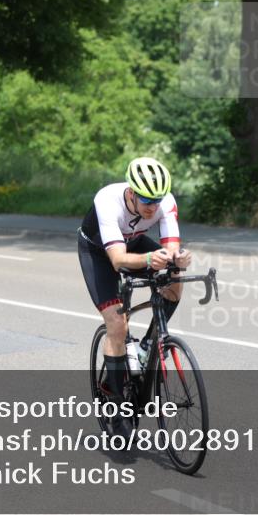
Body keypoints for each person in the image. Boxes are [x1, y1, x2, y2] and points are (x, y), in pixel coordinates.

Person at [77, 157, 191, 437]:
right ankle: (117, 411)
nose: (153, 207)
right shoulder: (107, 200)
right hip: (99, 253)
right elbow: (117, 260)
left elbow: (171, 250)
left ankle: (146, 346)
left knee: (174, 281)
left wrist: (179, 258)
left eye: (157, 201)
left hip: (134, 241)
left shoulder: (164, 203)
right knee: (117, 325)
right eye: (146, 201)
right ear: (131, 193)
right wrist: (151, 258)